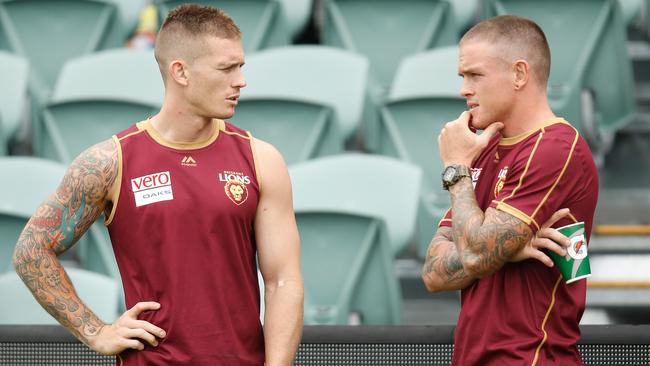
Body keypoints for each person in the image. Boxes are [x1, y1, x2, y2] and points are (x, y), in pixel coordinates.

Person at [12, 4, 303, 365]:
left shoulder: (261, 160)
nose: (240, 80)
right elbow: (30, 251)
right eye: (227, 68)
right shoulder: (109, 162)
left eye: (240, 66)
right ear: (180, 71)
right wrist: (96, 331)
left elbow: (283, 283)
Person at [421, 15, 598, 365]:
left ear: (519, 74)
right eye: (463, 77)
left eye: (475, 75)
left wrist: (456, 172)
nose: (463, 89)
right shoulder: (484, 149)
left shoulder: (556, 148)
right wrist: (503, 251)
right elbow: (432, 273)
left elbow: (474, 255)